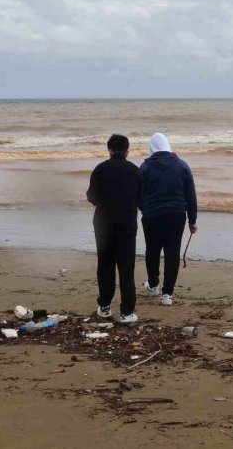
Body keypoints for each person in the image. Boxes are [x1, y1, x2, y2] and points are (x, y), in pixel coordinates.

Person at [86, 134, 141, 324]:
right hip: (126, 223)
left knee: (105, 264)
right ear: (127, 151)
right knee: (127, 267)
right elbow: (142, 198)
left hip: (103, 223)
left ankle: (105, 306)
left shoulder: (100, 169)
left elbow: (91, 196)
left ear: (109, 150)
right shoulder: (135, 170)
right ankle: (127, 312)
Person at [140, 132, 197, 306]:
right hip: (176, 214)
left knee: (152, 250)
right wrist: (192, 220)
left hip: (152, 215)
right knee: (173, 253)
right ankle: (168, 294)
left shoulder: (144, 168)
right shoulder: (182, 165)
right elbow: (190, 195)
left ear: (152, 148)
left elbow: (139, 194)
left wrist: (145, 208)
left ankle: (153, 285)